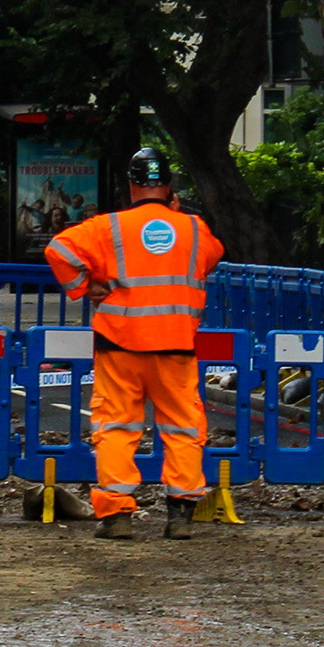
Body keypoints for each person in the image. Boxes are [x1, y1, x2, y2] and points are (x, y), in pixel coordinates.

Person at [44, 146, 225, 540]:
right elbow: (209, 258)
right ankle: (180, 515)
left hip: (119, 344)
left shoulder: (108, 228)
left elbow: (57, 249)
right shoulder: (195, 228)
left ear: (130, 186)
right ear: (169, 187)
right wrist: (175, 216)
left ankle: (117, 516)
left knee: (116, 427)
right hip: (175, 345)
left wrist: (86, 286)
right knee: (182, 427)